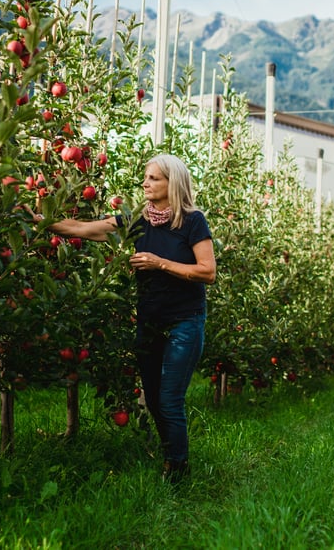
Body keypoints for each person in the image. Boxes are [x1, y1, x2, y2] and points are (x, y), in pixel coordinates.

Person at [44, 154, 216, 483]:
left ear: (172, 183)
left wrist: (159, 263)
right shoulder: (136, 220)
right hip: (150, 322)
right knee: (152, 399)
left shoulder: (193, 222)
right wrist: (40, 219)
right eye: (146, 177)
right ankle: (171, 457)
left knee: (169, 399)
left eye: (153, 178)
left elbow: (207, 272)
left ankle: (177, 470)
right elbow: (81, 229)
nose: (145, 183)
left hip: (184, 322)